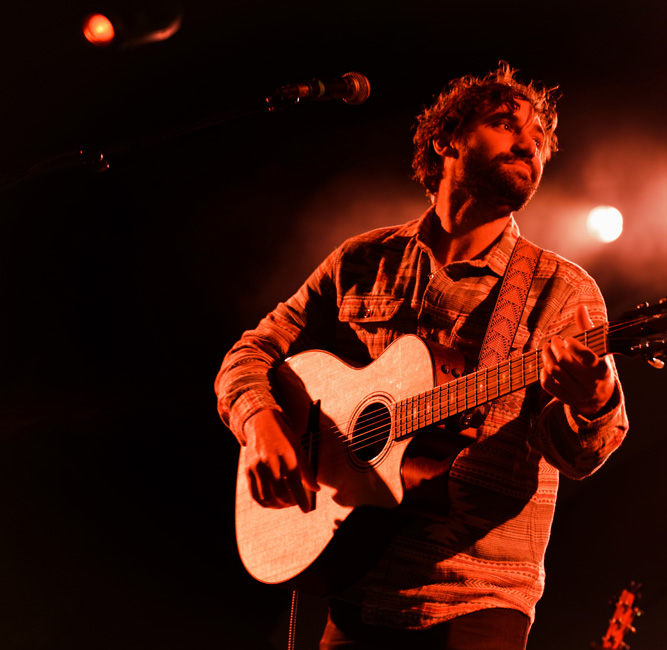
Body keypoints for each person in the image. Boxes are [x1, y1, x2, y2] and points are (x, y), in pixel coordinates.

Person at [215, 63, 629, 650]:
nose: (527, 145)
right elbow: (251, 352)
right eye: (506, 124)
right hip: (350, 585)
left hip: (476, 596)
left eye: (539, 141)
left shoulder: (561, 290)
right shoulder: (362, 260)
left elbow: (582, 455)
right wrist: (260, 422)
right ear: (447, 139)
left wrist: (593, 401)